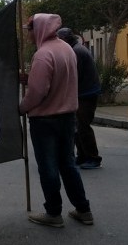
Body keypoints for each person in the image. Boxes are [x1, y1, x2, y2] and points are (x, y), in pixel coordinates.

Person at [20, 13, 93, 228]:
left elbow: (37, 93)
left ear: (39, 29)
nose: (28, 35)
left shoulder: (43, 54)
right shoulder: (66, 49)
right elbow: (58, 79)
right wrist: (30, 77)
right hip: (67, 117)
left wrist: (22, 107)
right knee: (68, 164)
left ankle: (53, 213)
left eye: (30, 30)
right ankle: (83, 209)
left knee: (48, 167)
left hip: (45, 120)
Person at [57, 28, 102, 169]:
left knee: (82, 127)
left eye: (60, 39)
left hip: (86, 95)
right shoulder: (76, 49)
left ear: (66, 39)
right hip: (83, 93)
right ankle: (82, 156)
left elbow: (72, 77)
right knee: (77, 127)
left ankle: (93, 158)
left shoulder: (76, 52)